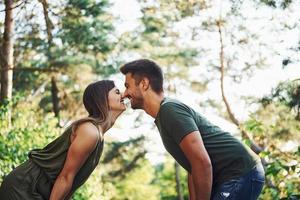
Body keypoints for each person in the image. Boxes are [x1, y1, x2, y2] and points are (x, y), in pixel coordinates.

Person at [120, 59, 265, 200]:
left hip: (240, 172)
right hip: (233, 176)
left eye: (127, 86)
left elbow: (202, 163)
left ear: (144, 83)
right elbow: (193, 167)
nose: (124, 93)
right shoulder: (162, 116)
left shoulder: (170, 110)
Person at [0, 80, 126, 200]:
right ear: (102, 99)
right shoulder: (90, 132)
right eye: (117, 92)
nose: (123, 94)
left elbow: (71, 181)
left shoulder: (98, 134)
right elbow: (65, 177)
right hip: (24, 186)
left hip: (38, 189)